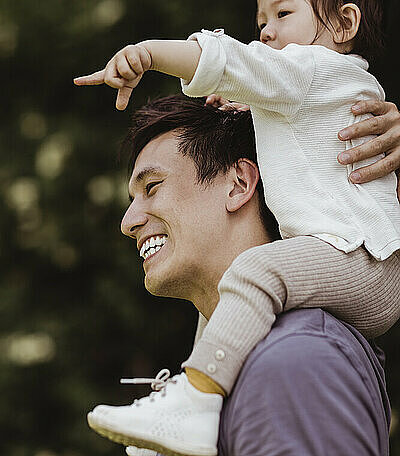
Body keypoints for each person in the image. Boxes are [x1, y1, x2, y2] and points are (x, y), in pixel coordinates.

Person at [75, 0, 400, 456]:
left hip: (361, 261)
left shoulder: (295, 361)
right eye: (262, 19)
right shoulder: (318, 91)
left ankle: (195, 399)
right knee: (231, 305)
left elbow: (228, 60)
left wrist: (152, 54)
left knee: (253, 274)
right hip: (355, 261)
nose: (128, 221)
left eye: (283, 12)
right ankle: (184, 414)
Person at [100, 95, 397, 456]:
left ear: (239, 183)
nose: (128, 222)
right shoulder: (253, 361)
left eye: (152, 188)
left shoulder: (293, 361)